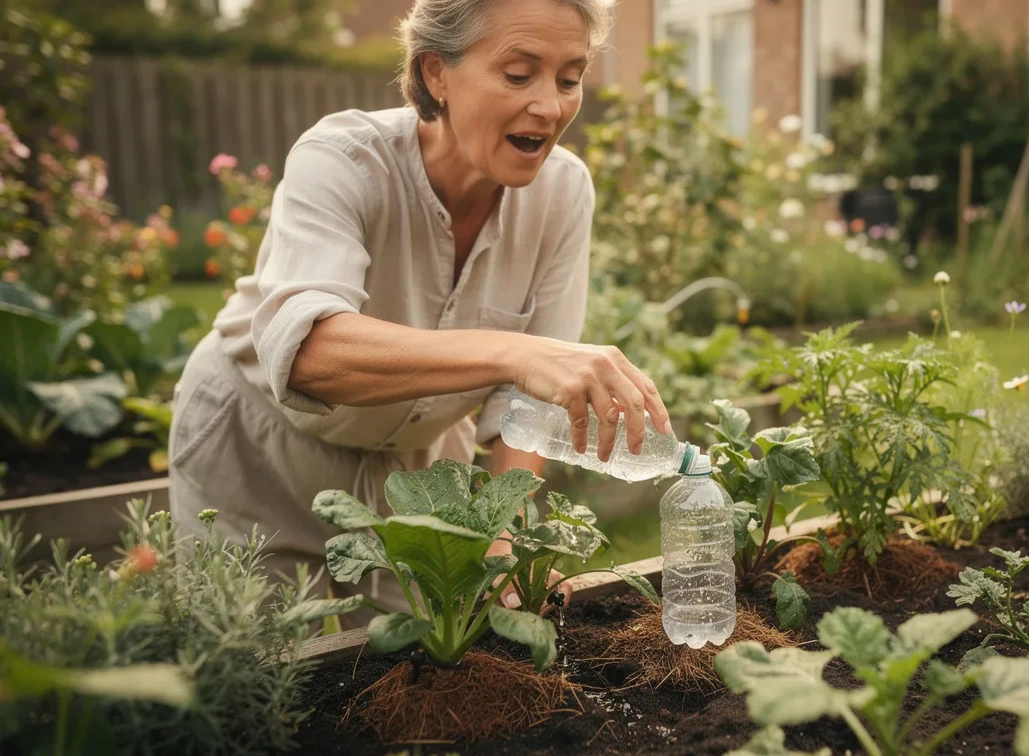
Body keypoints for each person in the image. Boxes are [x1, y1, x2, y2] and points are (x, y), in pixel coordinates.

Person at [167, 0, 672, 615]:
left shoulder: (564, 192)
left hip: (422, 469)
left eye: (569, 79)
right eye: (519, 74)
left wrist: (504, 533)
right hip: (256, 454)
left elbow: (530, 405)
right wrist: (513, 351)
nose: (550, 105)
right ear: (436, 74)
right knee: (256, 681)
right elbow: (307, 353)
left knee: (435, 671)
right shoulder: (342, 160)